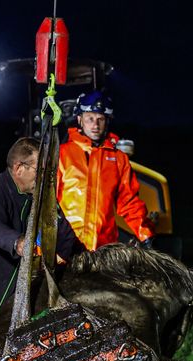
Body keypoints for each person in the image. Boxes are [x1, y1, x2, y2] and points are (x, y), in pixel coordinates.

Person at [0, 137, 84, 326]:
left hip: (15, 299)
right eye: (39, 170)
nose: (45, 176)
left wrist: (88, 261)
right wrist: (17, 242)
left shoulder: (42, 197)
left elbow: (65, 237)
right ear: (18, 168)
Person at [56, 91, 154, 251]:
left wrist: (146, 234)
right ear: (80, 119)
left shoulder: (118, 159)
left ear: (107, 121)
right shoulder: (61, 154)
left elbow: (129, 202)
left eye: (100, 119)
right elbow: (48, 202)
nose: (95, 125)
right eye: (90, 118)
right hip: (65, 247)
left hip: (103, 250)